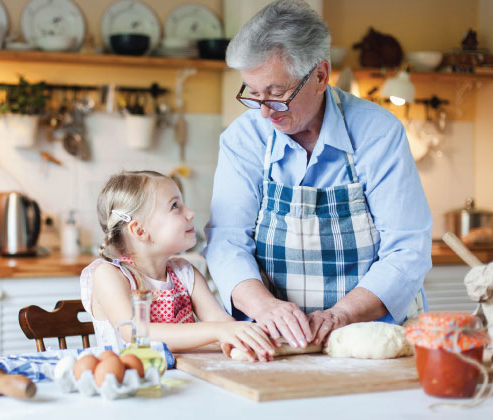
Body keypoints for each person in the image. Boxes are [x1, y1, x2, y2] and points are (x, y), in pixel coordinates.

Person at [204, 0, 432, 350]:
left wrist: (341, 315)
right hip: (270, 338)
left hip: (367, 335)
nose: (264, 112)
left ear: (320, 76)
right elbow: (227, 239)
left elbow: (407, 249)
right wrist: (264, 307)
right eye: (253, 94)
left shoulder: (377, 134)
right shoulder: (244, 137)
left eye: (277, 94)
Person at [81, 170, 275, 362]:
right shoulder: (110, 275)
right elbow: (133, 331)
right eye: (175, 206)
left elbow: (221, 323)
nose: (190, 213)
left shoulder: (186, 273)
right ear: (140, 231)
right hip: (131, 385)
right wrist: (219, 331)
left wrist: (242, 335)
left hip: (184, 380)